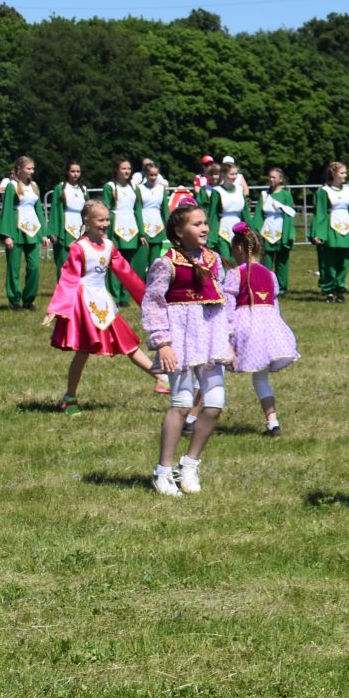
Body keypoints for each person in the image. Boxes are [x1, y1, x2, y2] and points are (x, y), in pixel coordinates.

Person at [141, 201, 238, 497]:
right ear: (179, 233)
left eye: (205, 223)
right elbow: (153, 304)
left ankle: (190, 464)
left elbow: (224, 301)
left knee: (215, 403)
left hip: (209, 338)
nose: (204, 228)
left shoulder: (213, 260)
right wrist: (163, 343)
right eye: (196, 224)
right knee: (181, 404)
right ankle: (162, 471)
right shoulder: (166, 263)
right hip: (181, 340)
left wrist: (228, 340)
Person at [43, 199, 161, 413]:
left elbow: (127, 273)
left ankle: (162, 378)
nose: (105, 223)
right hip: (84, 304)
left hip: (104, 302)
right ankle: (70, 397)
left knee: (128, 342)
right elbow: (69, 277)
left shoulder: (109, 246)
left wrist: (148, 300)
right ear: (87, 221)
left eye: (108, 219)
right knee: (83, 351)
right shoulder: (79, 248)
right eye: (100, 219)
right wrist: (57, 307)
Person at [228, 225, 298, 437]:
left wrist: (226, 332)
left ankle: (192, 419)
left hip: (244, 326)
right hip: (268, 328)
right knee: (261, 379)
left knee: (212, 371)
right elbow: (274, 306)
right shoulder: (270, 275)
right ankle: (272, 423)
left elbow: (228, 305)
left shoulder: (235, 274)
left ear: (239, 248)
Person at [0, 156, 44, 309]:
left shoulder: (35, 186)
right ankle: (14, 300)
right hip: (16, 230)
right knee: (14, 267)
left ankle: (28, 299)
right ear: (20, 169)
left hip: (33, 230)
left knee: (34, 267)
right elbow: (7, 210)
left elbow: (39, 210)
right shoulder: (12, 186)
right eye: (29, 168)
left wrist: (44, 233)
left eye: (33, 168)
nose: (32, 171)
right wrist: (7, 235)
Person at [309, 161, 349, 302]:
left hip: (346, 227)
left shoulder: (348, 190)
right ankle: (329, 289)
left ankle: (340, 288)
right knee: (329, 261)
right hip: (331, 227)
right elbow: (320, 213)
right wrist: (318, 233)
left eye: (345, 172)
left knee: (343, 261)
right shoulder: (324, 191)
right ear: (333, 174)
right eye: (342, 173)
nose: (345, 175)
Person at [102, 159, 146, 305]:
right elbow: (105, 209)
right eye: (123, 168)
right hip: (115, 226)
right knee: (114, 262)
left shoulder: (134, 187)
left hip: (131, 227)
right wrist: (105, 229)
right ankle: (113, 295)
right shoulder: (109, 187)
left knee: (127, 263)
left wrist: (141, 232)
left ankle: (125, 296)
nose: (127, 171)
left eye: (129, 168)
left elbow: (138, 210)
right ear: (116, 170)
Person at [252, 166, 298, 296]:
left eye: (274, 177)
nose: (271, 179)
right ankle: (266, 285)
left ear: (280, 179)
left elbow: (290, 214)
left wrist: (291, 233)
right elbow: (259, 215)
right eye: (270, 177)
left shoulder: (286, 195)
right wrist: (257, 231)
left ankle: (282, 288)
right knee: (266, 260)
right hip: (267, 230)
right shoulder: (264, 195)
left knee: (282, 261)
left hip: (282, 230)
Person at [43, 160, 90, 284]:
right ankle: (63, 290)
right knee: (64, 262)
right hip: (65, 228)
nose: (75, 174)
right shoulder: (60, 188)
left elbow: (89, 210)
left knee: (81, 261)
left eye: (78, 171)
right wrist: (53, 231)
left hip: (80, 228)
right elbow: (55, 210)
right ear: (67, 172)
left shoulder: (83, 189)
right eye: (72, 171)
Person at [137, 159, 171, 268]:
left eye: (155, 175)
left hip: (158, 228)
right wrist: (141, 231)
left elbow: (165, 210)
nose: (153, 177)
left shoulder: (161, 189)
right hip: (144, 226)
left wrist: (170, 227)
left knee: (155, 263)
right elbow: (137, 210)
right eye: (151, 175)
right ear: (146, 175)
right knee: (141, 263)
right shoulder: (139, 189)